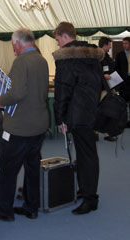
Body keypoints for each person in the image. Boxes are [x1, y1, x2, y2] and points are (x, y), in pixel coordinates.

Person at [0, 28, 49, 221]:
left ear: (17, 43)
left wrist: (0, 101)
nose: (13, 48)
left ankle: (4, 211)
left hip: (20, 126)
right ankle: (31, 208)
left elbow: (17, 93)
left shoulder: (21, 61)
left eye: (13, 44)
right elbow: (26, 86)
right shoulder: (41, 59)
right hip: (38, 125)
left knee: (7, 170)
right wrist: (2, 77)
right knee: (32, 168)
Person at [52, 22, 104, 214]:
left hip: (77, 114)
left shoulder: (66, 58)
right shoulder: (92, 55)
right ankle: (86, 190)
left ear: (64, 36)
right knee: (87, 154)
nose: (57, 44)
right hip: (90, 112)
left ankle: (90, 198)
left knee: (87, 156)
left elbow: (62, 91)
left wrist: (60, 119)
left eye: (57, 40)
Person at [98, 36, 117, 142]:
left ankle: (107, 133)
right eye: (109, 44)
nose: (110, 46)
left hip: (109, 87)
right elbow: (95, 72)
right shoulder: (97, 57)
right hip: (101, 89)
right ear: (105, 45)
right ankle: (96, 133)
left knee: (109, 111)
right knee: (99, 111)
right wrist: (103, 76)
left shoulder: (107, 57)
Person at [115, 37, 130, 102]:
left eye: (126, 43)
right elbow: (116, 68)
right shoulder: (119, 55)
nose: (124, 45)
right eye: (123, 43)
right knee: (123, 102)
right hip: (123, 83)